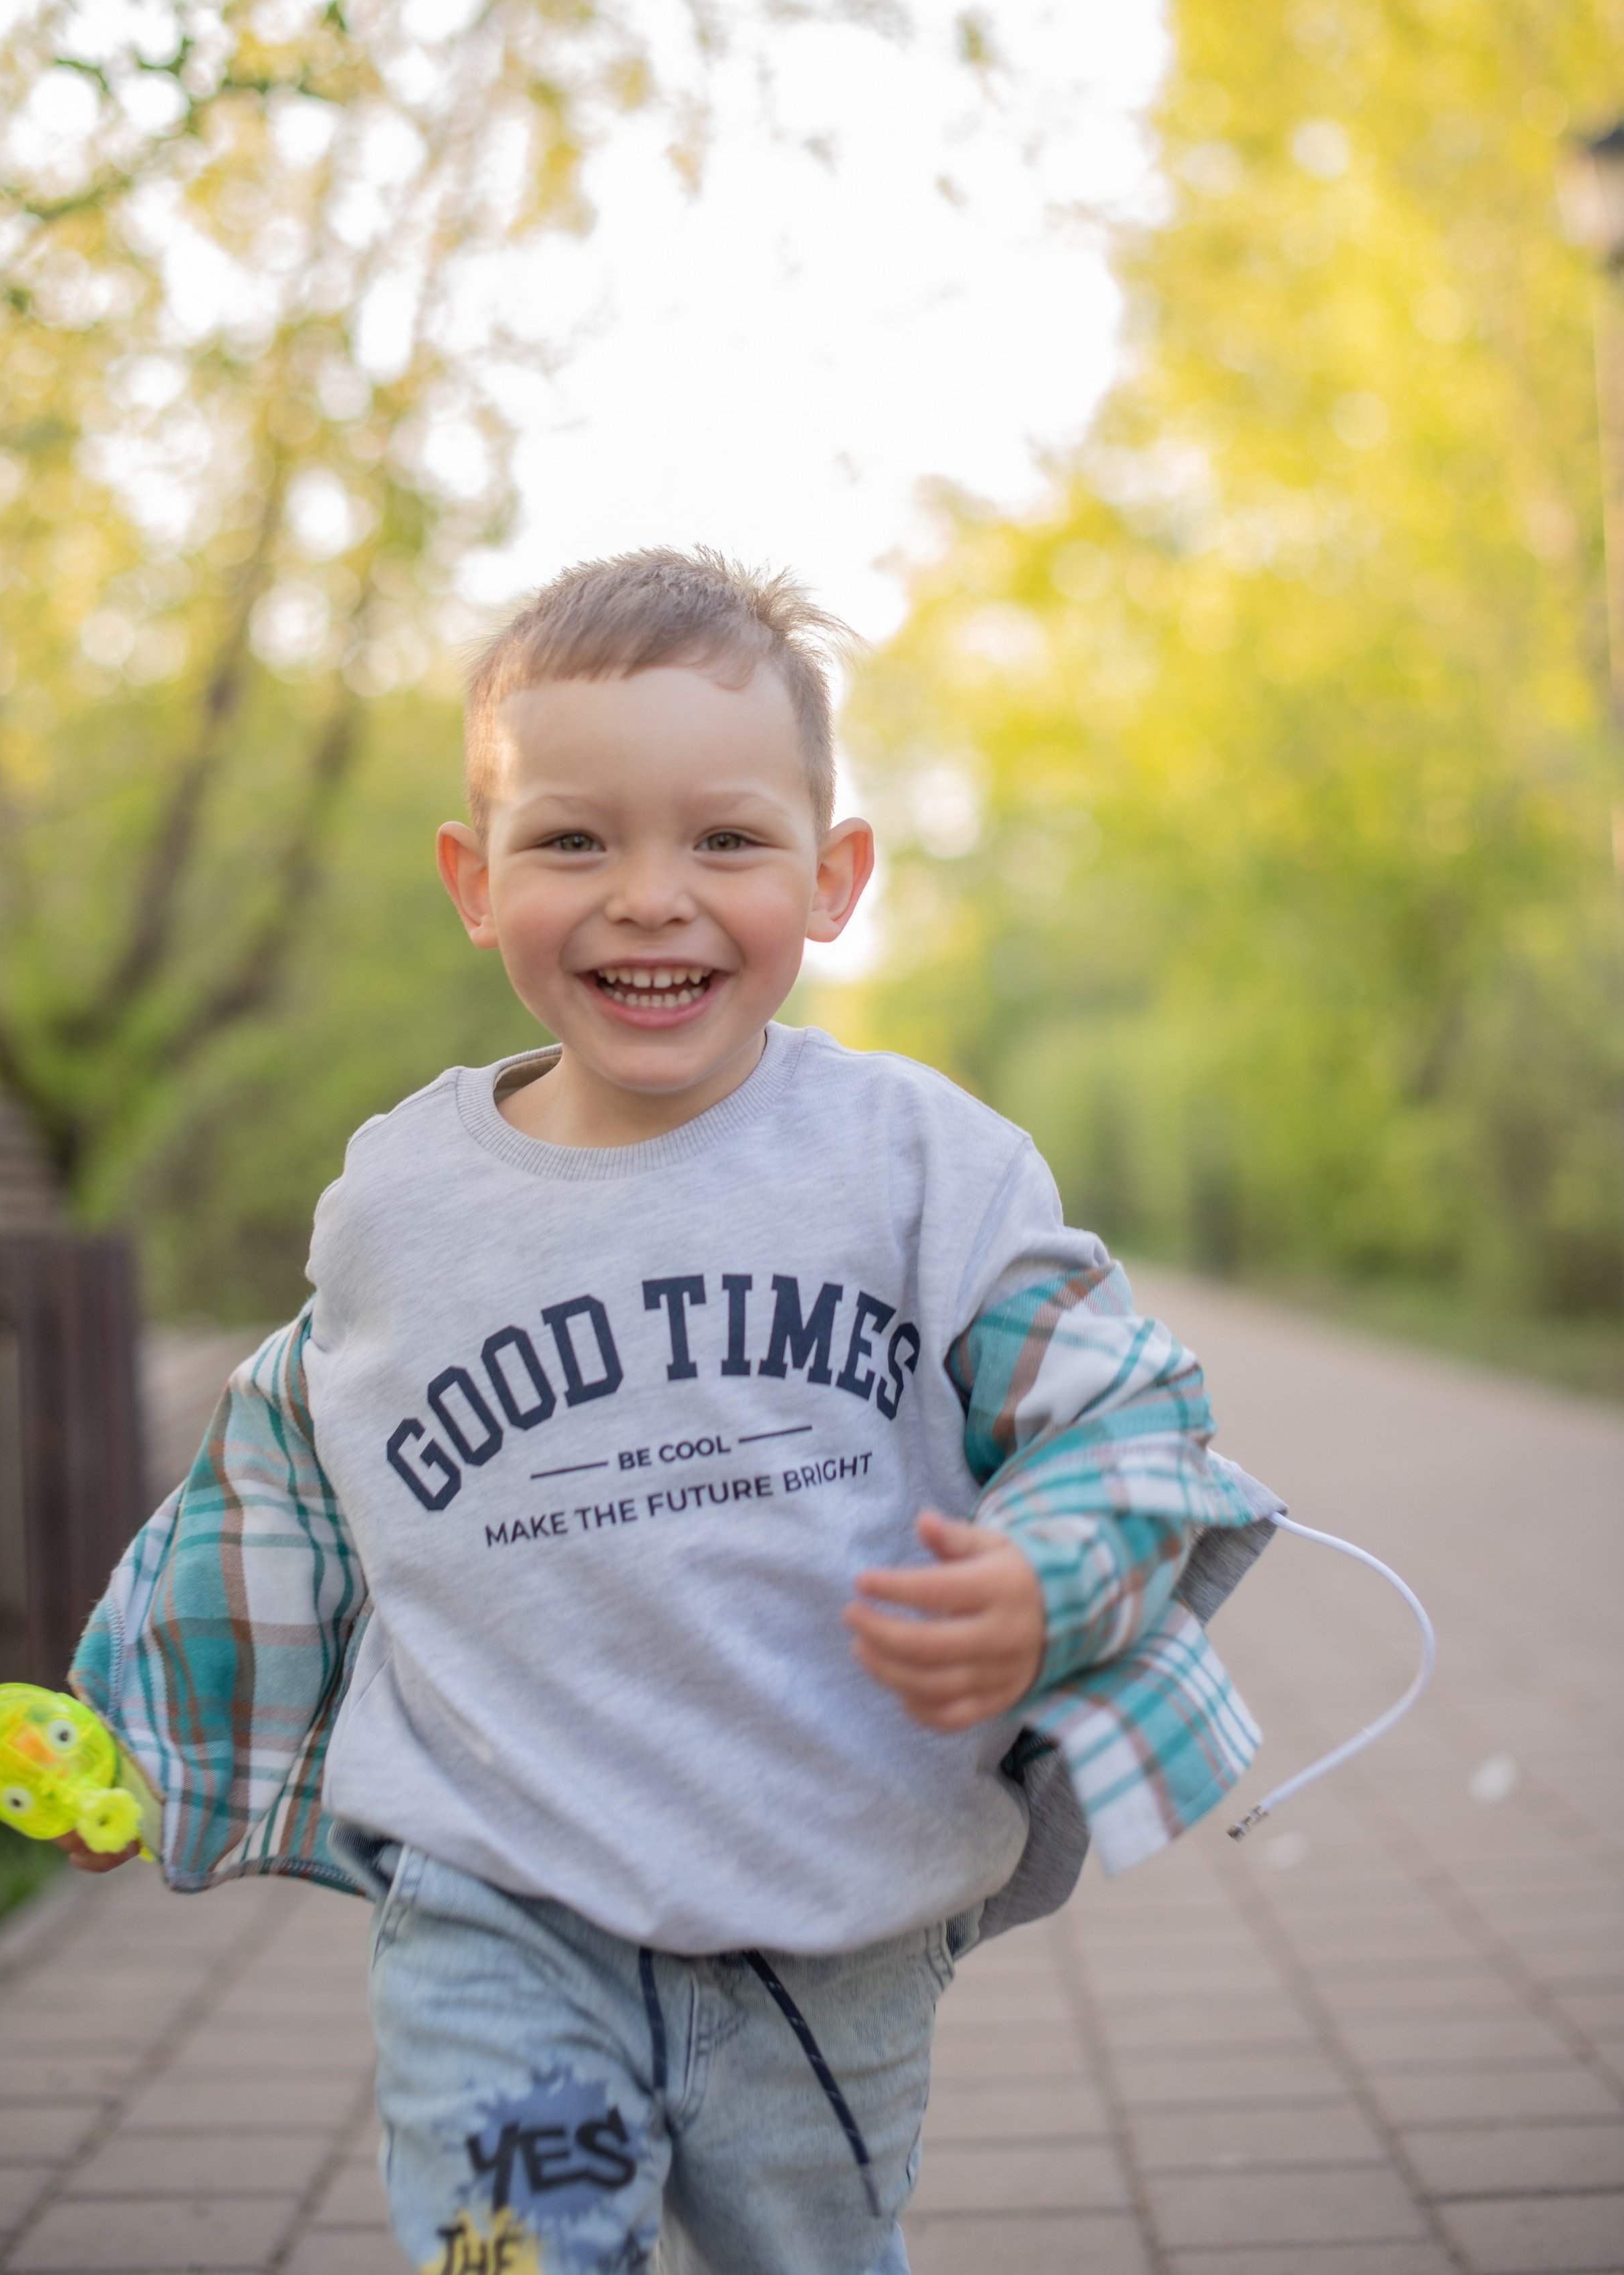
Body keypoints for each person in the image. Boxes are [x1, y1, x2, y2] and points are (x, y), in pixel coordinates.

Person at [61, 548, 1276, 2275]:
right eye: (574, 840)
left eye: (723, 839)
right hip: (493, 1897)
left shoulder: (917, 1162)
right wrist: (141, 1746)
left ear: (831, 875)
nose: (650, 896)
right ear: (473, 882)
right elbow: (273, 1492)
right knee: (514, 2255)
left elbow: (1113, 1407)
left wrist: (1045, 1580)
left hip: (826, 1901)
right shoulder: (398, 1202)